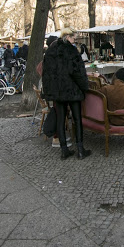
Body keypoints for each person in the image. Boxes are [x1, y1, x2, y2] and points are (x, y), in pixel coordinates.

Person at [42, 28, 91, 160]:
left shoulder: (51, 50)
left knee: (60, 119)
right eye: (74, 38)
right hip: (72, 90)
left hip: (57, 91)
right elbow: (77, 72)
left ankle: (64, 150)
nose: (74, 41)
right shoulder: (71, 50)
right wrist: (84, 87)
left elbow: (46, 74)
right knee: (77, 119)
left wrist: (48, 92)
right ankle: (80, 150)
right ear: (68, 37)